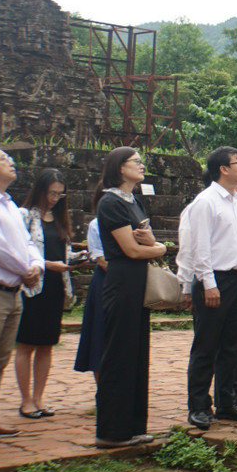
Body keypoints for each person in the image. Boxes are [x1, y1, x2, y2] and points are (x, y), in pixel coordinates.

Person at [93, 146, 167, 448]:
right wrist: (162, 248)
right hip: (122, 281)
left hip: (137, 283)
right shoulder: (110, 202)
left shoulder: (133, 200)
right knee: (119, 355)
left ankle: (133, 426)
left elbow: (144, 239)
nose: (141, 166)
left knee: (136, 354)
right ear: (119, 167)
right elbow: (133, 249)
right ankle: (111, 430)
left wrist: (153, 243)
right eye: (135, 162)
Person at [185, 146, 237, 431]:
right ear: (223, 169)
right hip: (214, 279)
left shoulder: (236, 203)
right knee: (206, 345)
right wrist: (208, 284)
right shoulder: (206, 202)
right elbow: (200, 246)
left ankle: (229, 401)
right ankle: (199, 406)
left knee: (234, 345)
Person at [0, 145, 44, 442]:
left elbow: (28, 242)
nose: (11, 163)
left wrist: (35, 265)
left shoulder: (9, 204)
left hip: (12, 291)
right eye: (3, 159)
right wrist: (26, 270)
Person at [14, 168, 84, 419]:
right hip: (31, 288)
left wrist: (77, 259)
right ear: (40, 191)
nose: (55, 198)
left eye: (59, 193)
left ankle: (39, 398)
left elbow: (62, 254)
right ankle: (25, 400)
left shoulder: (58, 218)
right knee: (26, 344)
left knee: (46, 345)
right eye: (52, 193)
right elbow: (19, 252)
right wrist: (47, 265)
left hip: (55, 287)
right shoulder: (24, 216)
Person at [73, 217, 107, 382]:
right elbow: (101, 259)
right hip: (108, 281)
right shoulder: (96, 224)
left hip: (125, 281)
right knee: (99, 334)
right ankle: (102, 388)